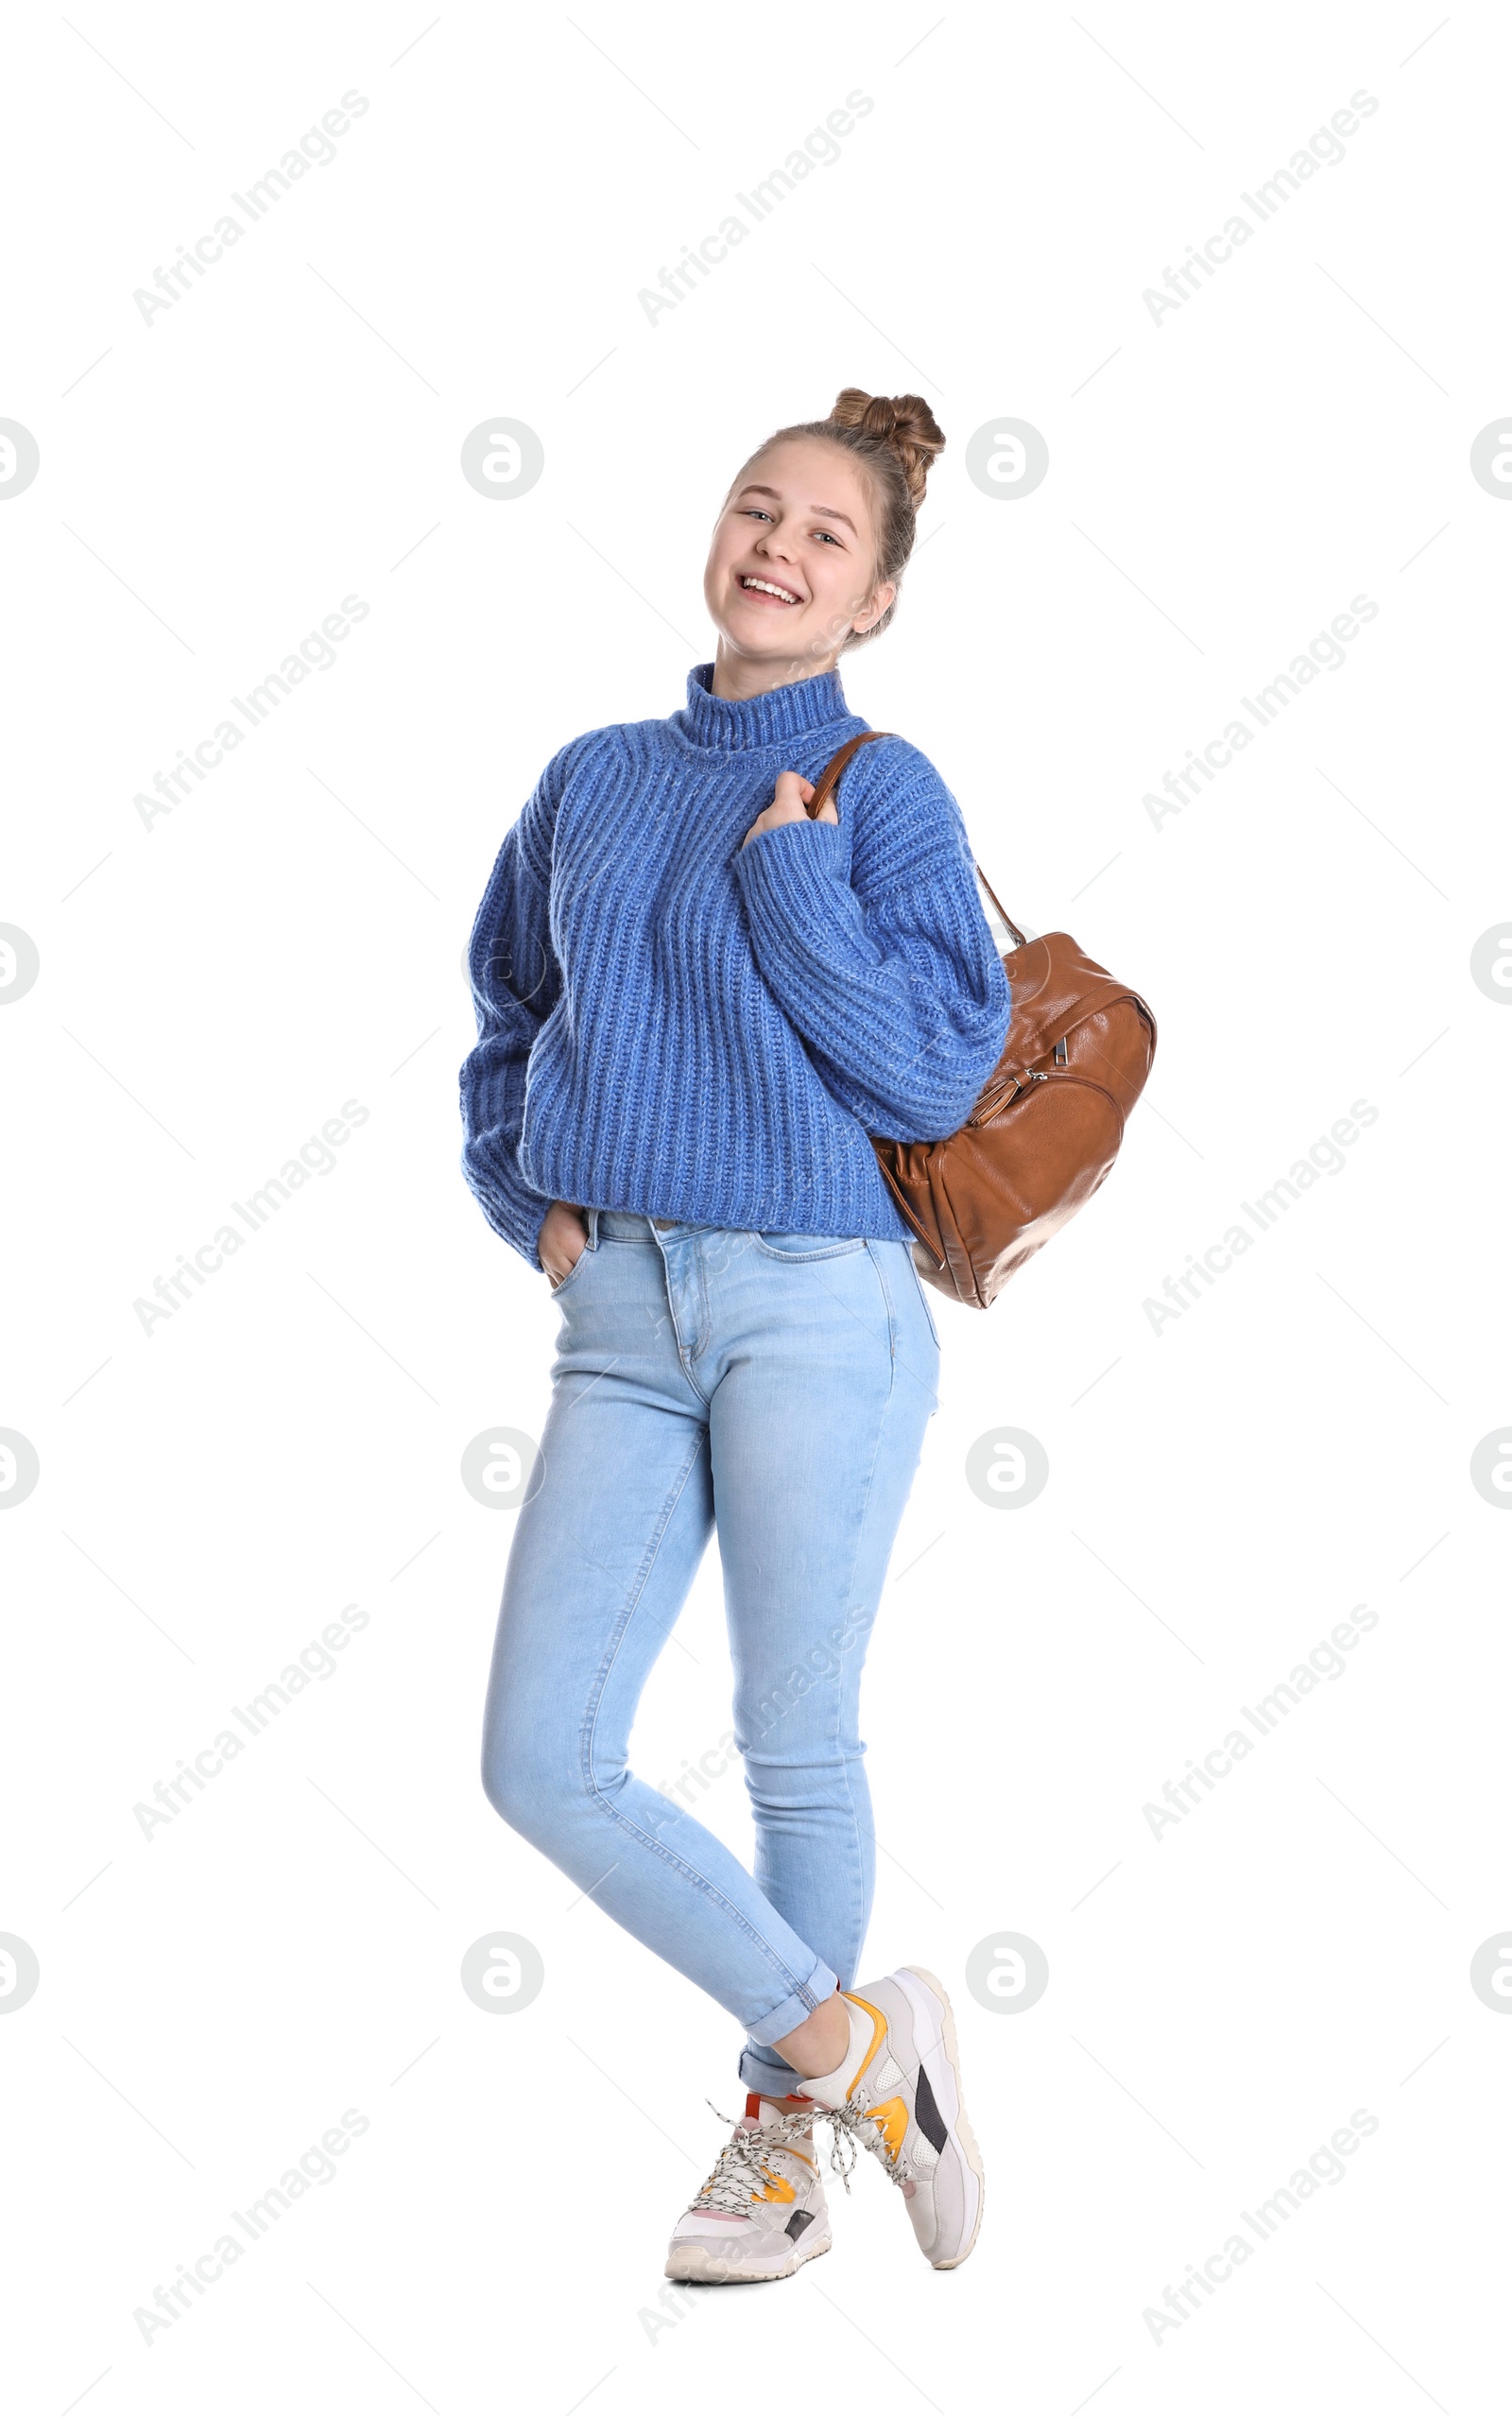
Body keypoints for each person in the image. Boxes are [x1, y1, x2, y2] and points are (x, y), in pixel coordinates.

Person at [459, 388, 1008, 2283]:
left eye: (827, 535)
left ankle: (779, 2151)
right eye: (754, 509)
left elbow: (933, 1065)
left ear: (868, 603)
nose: (776, 544)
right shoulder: (593, 776)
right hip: (617, 1309)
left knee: (792, 1740)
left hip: (813, 1304)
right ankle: (860, 2050)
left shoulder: (879, 789)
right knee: (543, 1761)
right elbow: (500, 1022)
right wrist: (518, 1198)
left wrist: (787, 873)